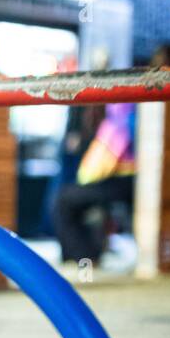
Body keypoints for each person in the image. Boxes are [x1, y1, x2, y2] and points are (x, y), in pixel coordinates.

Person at [54, 101, 136, 264]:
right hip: (119, 178)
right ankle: (83, 256)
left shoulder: (120, 118)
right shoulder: (119, 118)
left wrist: (86, 177)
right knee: (68, 198)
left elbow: (105, 160)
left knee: (63, 200)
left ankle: (85, 258)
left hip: (122, 179)